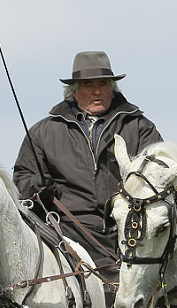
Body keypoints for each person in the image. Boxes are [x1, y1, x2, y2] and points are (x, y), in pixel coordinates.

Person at [13, 50, 163, 288]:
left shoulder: (139, 127)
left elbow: (159, 179)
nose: (96, 91)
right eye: (88, 84)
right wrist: (37, 187)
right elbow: (21, 179)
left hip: (125, 234)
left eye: (103, 84)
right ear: (74, 90)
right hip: (65, 235)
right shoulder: (43, 132)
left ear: (112, 87)